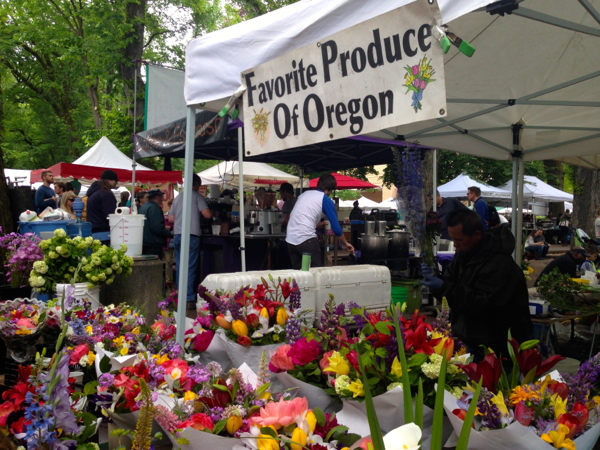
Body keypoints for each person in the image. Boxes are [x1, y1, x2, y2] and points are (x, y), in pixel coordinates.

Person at [419, 209, 532, 359]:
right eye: (453, 239)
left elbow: (480, 303)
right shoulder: (464, 254)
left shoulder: (499, 264)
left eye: (459, 240)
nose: (455, 245)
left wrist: (443, 286)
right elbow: (454, 287)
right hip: (472, 339)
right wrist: (437, 280)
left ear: (477, 235)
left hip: (500, 347)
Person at [286, 173, 354, 270]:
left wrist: (316, 225)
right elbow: (336, 229)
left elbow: (301, 217)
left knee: (298, 275)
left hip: (290, 240)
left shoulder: (304, 194)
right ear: (331, 189)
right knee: (316, 272)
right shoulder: (325, 199)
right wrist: (345, 243)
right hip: (306, 239)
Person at [168, 174, 212, 308]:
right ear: (197, 185)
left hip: (178, 235)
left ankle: (179, 295)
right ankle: (188, 297)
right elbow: (207, 215)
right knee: (190, 267)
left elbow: (170, 218)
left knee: (181, 266)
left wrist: (182, 220)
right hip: (191, 234)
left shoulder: (178, 197)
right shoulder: (197, 196)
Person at [86, 169, 119, 238]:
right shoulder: (106, 194)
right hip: (104, 232)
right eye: (115, 181)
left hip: (93, 231)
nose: (116, 183)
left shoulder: (93, 193)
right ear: (109, 180)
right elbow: (109, 215)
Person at [140, 189, 172, 258]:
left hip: (145, 242)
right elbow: (157, 227)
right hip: (153, 243)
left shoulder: (143, 207)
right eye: (161, 197)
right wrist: (170, 234)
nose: (162, 199)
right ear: (157, 197)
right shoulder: (154, 208)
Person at [276, 183, 296, 270]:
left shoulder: (287, 204)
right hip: (296, 238)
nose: (280, 195)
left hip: (286, 239)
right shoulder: (297, 201)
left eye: (281, 193)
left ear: (285, 192)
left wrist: (277, 226)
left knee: (281, 266)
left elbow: (286, 221)